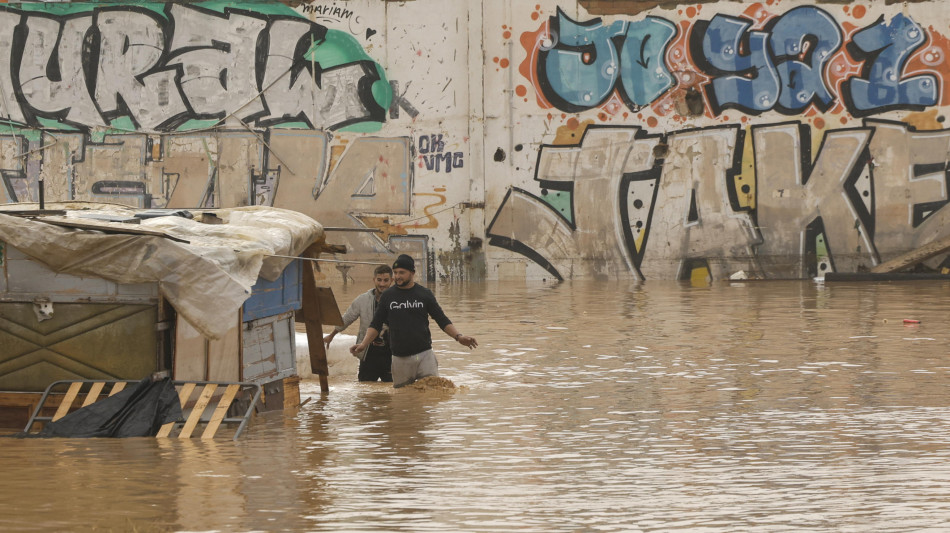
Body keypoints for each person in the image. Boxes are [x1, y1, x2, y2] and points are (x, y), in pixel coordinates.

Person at [350, 254, 477, 388]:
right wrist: (363, 344)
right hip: (400, 359)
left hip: (424, 355)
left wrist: (459, 337)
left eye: (402, 272)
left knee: (433, 393)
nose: (397, 276)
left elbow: (442, 319)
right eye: (395, 272)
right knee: (403, 397)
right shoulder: (387, 296)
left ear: (412, 273)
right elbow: (375, 325)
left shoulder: (424, 294)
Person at [324, 264, 394, 382]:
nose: (382, 284)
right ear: (374, 280)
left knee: (393, 389)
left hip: (391, 353)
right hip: (368, 352)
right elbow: (347, 318)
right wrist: (331, 335)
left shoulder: (397, 300)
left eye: (386, 280)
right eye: (379, 280)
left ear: (392, 280)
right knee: (365, 388)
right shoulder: (363, 300)